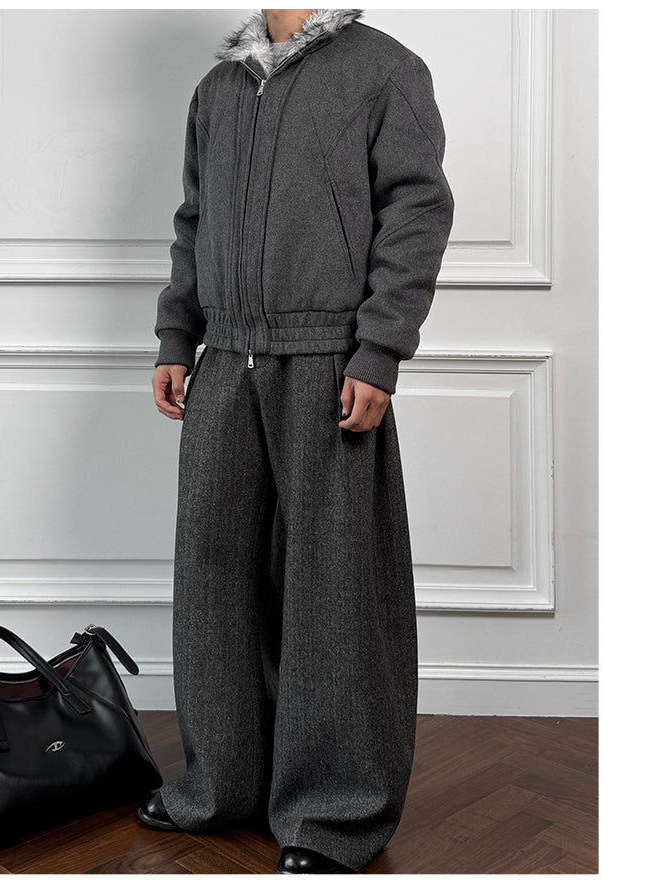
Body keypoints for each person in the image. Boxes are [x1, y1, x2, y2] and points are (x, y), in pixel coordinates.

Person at [139, 7, 454, 875]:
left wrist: (380, 349)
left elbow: (417, 210)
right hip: (224, 357)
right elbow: (196, 221)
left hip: (329, 359)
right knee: (213, 577)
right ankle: (222, 784)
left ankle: (334, 811)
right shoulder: (218, 89)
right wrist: (177, 336)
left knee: (335, 584)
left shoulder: (384, 70)